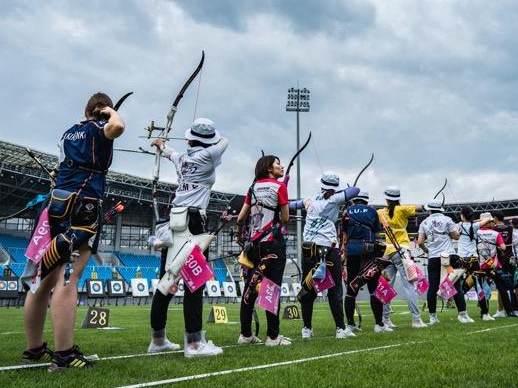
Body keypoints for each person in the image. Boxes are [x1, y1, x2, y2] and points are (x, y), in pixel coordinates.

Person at [23, 92, 125, 371]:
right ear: (101, 111)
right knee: (68, 280)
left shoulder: (69, 133)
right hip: (82, 210)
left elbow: (55, 173)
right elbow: (118, 127)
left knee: (44, 280)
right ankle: (64, 355)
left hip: (58, 204)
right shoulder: (99, 128)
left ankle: (34, 349)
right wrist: (111, 113)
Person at [148, 118, 228, 357]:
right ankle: (194, 344)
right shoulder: (207, 156)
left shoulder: (183, 158)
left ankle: (158, 339)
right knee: (195, 283)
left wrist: (161, 145)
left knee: (167, 281)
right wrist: (210, 139)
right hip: (193, 222)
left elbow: (171, 153)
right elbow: (225, 141)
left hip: (174, 222)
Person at [291, 172, 361, 339]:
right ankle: (340, 329)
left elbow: (291, 205)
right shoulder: (335, 199)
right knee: (335, 289)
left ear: (321, 185)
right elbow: (355, 190)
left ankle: (307, 329)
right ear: (334, 188)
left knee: (307, 287)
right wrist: (342, 192)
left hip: (309, 249)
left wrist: (305, 203)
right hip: (328, 250)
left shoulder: (311, 200)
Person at [234, 155, 292, 346]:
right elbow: (285, 218)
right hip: (272, 244)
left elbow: (240, 219)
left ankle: (245, 335)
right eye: (277, 164)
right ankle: (273, 337)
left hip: (254, 245)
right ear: (269, 168)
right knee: (271, 289)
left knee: (251, 287)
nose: (281, 166)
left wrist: (240, 237)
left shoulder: (252, 188)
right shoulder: (280, 186)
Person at [342, 191, 392, 333]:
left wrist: (345, 253)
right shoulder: (371, 211)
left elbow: (344, 237)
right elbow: (376, 233)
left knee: (352, 288)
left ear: (355, 200)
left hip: (352, 250)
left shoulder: (347, 212)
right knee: (373, 287)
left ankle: (351, 325)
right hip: (369, 251)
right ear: (366, 200)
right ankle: (378, 324)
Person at [416, 200, 472, 324]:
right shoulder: (447, 219)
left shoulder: (424, 222)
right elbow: (456, 236)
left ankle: (433, 317)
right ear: (440, 209)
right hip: (449, 258)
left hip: (434, 258)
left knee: (433, 287)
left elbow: (420, 242)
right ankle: (463, 315)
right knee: (455, 285)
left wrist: (428, 250)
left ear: (429, 210)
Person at [378, 186, 426, 328]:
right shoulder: (402, 209)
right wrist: (426, 205)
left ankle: (385, 319)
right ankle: (416, 320)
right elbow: (418, 207)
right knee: (409, 286)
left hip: (388, 252)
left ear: (386, 199)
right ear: (397, 199)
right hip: (402, 251)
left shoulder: (381, 212)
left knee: (385, 286)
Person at [456, 207, 492, 321]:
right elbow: (489, 218)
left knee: (459, 285)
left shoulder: (458, 225)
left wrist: (471, 221)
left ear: (462, 216)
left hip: (461, 259)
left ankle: (461, 312)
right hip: (473, 259)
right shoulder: (475, 226)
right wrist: (475, 221)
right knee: (479, 286)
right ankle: (485, 314)